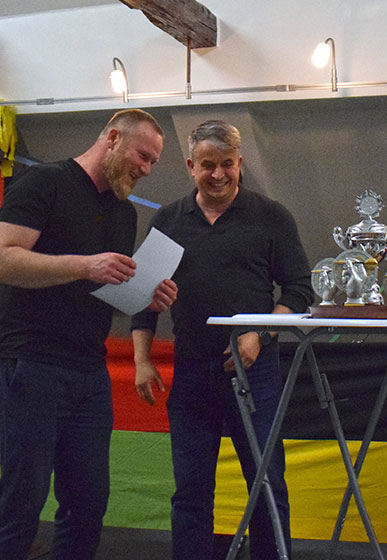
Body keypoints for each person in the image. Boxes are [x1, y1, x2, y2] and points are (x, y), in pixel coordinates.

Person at [0, 109, 177, 560]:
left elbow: (103, 290)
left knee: (88, 504)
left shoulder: (123, 213)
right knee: (22, 500)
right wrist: (85, 265)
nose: (147, 169)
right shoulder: (43, 183)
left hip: (88, 369)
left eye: (153, 162)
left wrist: (144, 297)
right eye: (143, 156)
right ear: (112, 138)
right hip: (28, 361)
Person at [131, 119, 313, 560]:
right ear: (190, 166)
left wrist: (260, 333)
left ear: (240, 162)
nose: (218, 174)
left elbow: (299, 291)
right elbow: (143, 296)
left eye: (227, 164)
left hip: (256, 373)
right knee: (190, 490)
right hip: (191, 373)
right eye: (208, 165)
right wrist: (141, 360)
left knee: (267, 484)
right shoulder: (168, 220)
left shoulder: (271, 216)